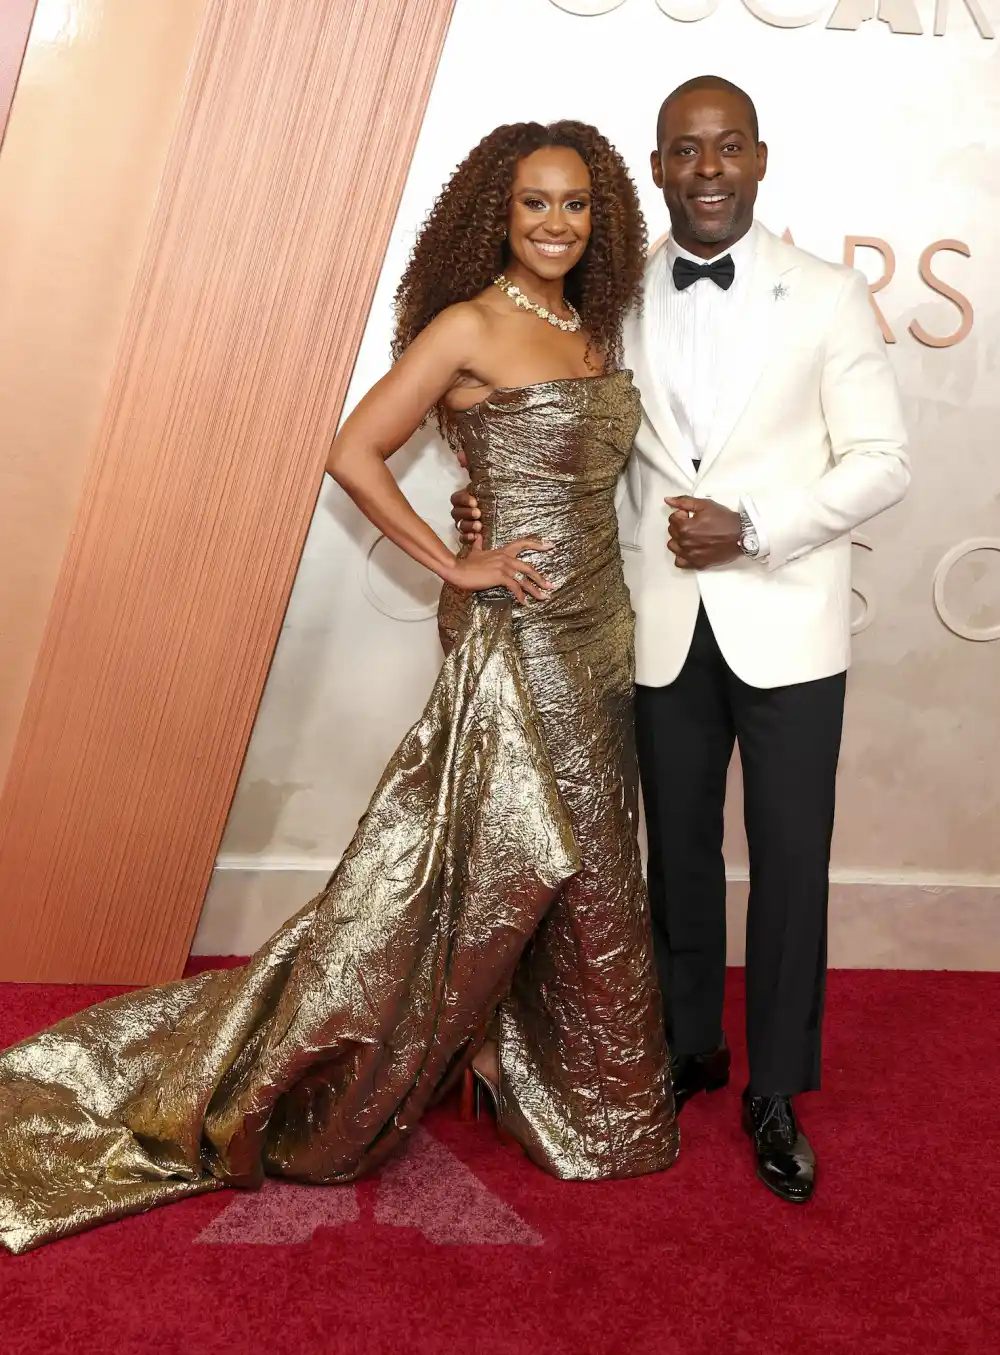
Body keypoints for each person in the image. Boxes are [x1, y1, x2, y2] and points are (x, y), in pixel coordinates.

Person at [0, 121, 678, 1257]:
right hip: (518, 635)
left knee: (574, 855)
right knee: (519, 857)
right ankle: (557, 1094)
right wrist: (458, 556)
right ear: (495, 216)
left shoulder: (589, 326)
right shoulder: (469, 324)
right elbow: (352, 447)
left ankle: (526, 1067)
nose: (555, 225)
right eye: (533, 206)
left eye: (573, 206)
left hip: (600, 632)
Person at [451, 77, 910, 1205]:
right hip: (654, 625)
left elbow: (883, 461)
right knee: (677, 858)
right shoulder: (609, 302)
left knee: (792, 863)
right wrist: (486, 512)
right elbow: (573, 446)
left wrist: (755, 525)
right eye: (682, 152)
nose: (706, 171)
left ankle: (776, 1087)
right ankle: (690, 1044)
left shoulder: (830, 294)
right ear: (654, 170)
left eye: (726, 149)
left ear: (759, 159)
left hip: (791, 626)